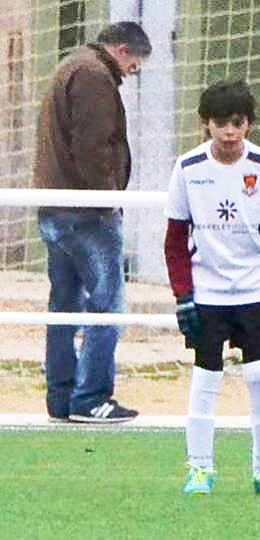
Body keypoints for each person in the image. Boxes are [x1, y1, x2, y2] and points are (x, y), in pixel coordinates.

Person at [163, 80, 260, 496]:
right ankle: (200, 468)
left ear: (249, 124)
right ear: (207, 125)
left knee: (257, 375)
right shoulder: (187, 168)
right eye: (221, 123)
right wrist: (183, 295)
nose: (230, 132)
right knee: (206, 376)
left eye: (237, 123)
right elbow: (174, 240)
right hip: (207, 292)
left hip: (253, 289)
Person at [34, 21, 151, 423]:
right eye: (133, 65)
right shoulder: (94, 76)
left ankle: (62, 395)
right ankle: (90, 397)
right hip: (85, 213)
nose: (131, 73)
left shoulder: (73, 66)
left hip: (56, 207)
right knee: (108, 304)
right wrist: (107, 200)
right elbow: (93, 146)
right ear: (121, 50)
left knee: (64, 304)